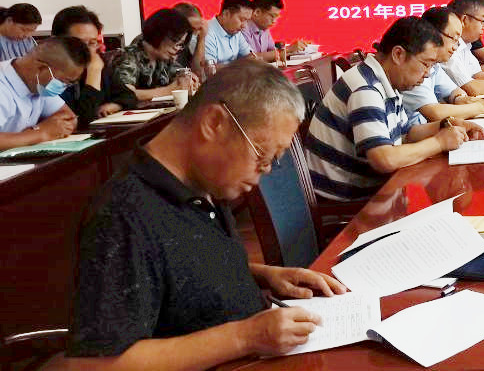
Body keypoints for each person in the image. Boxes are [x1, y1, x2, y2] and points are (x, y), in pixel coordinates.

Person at [64, 60, 345, 369]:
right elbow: (98, 365)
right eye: (262, 156)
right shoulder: (124, 215)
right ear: (214, 123)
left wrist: (264, 275)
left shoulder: (204, 179)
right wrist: (246, 337)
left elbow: (181, 266)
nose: (265, 171)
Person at [305, 17, 483, 202]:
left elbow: (407, 133)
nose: (427, 74)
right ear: (398, 54)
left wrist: (446, 125)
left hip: (373, 193)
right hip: (348, 204)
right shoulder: (366, 88)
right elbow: (384, 160)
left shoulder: (385, 80)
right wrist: (439, 142)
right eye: (426, 64)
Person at [403, 6, 484, 122]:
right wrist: (483, 106)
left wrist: (460, 99)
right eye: (453, 38)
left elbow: (454, 91)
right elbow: (435, 113)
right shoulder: (413, 65)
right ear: (433, 35)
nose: (455, 47)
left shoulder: (434, 65)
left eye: (458, 41)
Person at [0, 36, 87, 150]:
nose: (64, 87)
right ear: (41, 68)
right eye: (63, 81)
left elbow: (69, 117)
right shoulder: (3, 87)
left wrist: (39, 131)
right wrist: (41, 133)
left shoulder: (38, 85)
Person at [51, 5, 135, 122]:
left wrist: (114, 105)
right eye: (79, 43)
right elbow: (80, 118)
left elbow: (129, 96)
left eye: (92, 43)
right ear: (56, 41)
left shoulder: (99, 61)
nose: (87, 50)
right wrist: (93, 74)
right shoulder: (48, 74)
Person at [112, 9, 200, 102]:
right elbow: (125, 94)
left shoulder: (163, 59)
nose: (177, 48)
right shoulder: (128, 57)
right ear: (158, 33)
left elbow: (179, 74)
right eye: (175, 40)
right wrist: (169, 90)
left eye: (180, 44)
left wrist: (188, 80)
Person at [242, 0, 309, 62]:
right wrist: (288, 49)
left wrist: (296, 50)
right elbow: (250, 59)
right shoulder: (242, 28)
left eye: (277, 17)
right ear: (257, 12)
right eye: (272, 16)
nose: (274, 21)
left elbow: (274, 53)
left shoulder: (264, 29)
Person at [204, 0, 255, 66]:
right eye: (242, 19)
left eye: (247, 21)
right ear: (226, 14)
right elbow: (210, 68)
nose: (244, 26)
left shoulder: (236, 31)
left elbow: (249, 56)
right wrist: (238, 66)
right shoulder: (206, 33)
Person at [172, 2, 209, 77]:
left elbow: (198, 72)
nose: (190, 34)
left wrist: (201, 39)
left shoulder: (188, 42)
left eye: (195, 30)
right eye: (190, 29)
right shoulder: (163, 43)